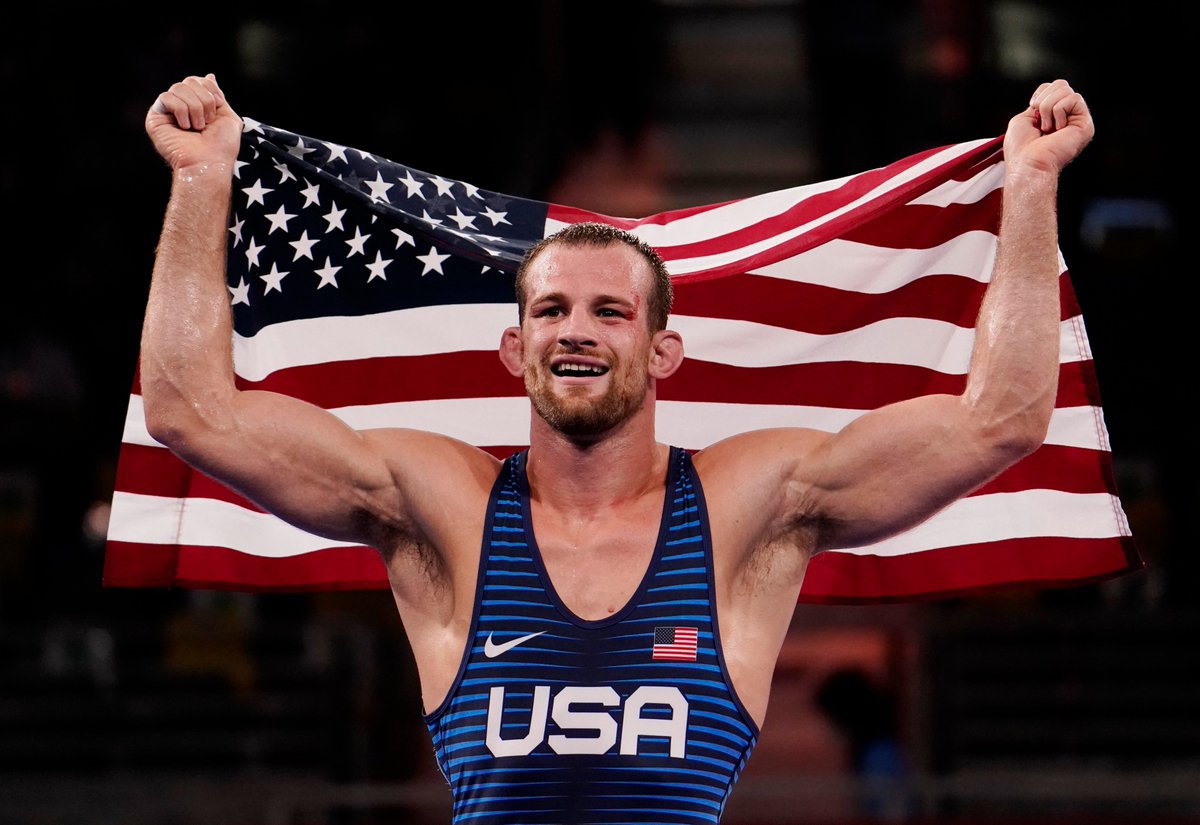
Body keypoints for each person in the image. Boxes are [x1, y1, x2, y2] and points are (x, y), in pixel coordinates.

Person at [142, 74, 1093, 823]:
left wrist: (1032, 187)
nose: (577, 331)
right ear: (515, 349)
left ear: (663, 348)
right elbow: (193, 414)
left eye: (610, 310)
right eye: (551, 308)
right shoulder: (439, 502)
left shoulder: (750, 504)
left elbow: (999, 419)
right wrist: (201, 181)